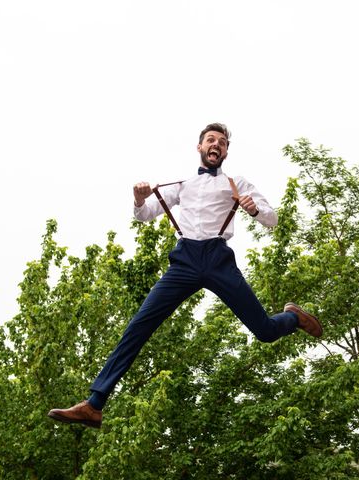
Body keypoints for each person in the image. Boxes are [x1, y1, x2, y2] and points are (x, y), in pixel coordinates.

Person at [48, 123, 322, 429]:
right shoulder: (183, 184)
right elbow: (144, 214)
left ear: (226, 151)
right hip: (185, 262)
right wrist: (138, 199)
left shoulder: (236, 183)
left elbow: (272, 219)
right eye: (210, 140)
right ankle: (95, 404)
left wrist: (254, 209)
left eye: (221, 141)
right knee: (139, 326)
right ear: (200, 147)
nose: (216, 144)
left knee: (266, 331)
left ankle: (293, 318)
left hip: (218, 259)